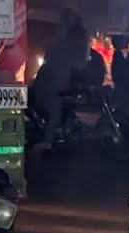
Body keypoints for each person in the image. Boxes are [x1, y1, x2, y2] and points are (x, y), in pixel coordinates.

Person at [31, 18, 91, 149]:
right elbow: (79, 65)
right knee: (55, 112)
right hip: (47, 91)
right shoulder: (63, 50)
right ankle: (47, 142)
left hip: (54, 89)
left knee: (67, 105)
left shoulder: (63, 47)